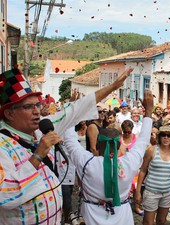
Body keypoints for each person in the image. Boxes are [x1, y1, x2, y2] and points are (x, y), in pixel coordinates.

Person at [0, 67, 133, 224]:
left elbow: (76, 109)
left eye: (37, 105)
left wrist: (113, 87)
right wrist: (38, 156)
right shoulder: (3, 145)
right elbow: (5, 196)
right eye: (28, 107)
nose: (37, 111)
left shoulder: (41, 130)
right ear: (9, 113)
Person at [63, 89, 154, 225]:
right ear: (119, 145)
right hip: (122, 216)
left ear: (98, 143)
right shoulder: (129, 161)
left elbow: (69, 140)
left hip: (91, 216)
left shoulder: (87, 162)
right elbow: (143, 140)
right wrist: (149, 112)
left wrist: (71, 109)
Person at [135, 125, 170, 225]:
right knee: (148, 222)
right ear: (159, 137)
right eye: (163, 135)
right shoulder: (151, 150)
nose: (166, 137)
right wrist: (138, 191)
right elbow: (142, 171)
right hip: (151, 192)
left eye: (169, 135)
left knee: (161, 221)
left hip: (167, 193)